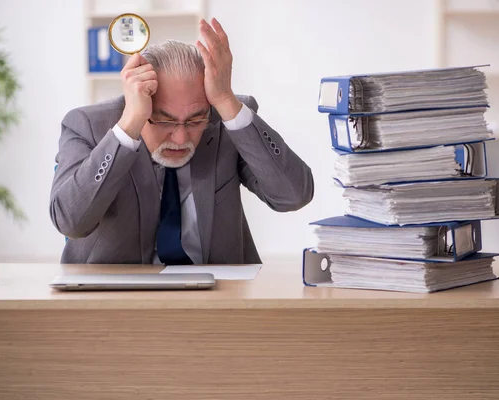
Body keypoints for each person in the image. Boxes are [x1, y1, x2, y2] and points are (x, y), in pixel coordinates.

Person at [49, 18, 314, 264]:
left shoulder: (223, 117)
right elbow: (71, 222)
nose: (180, 137)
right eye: (163, 120)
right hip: (115, 302)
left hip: (218, 300)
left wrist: (225, 100)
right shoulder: (86, 125)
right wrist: (131, 124)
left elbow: (293, 196)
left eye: (195, 120)